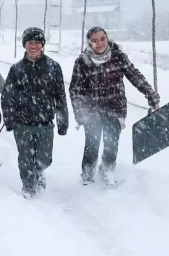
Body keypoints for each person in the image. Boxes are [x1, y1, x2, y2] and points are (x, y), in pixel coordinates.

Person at [69, 26, 160, 187]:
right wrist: (80, 113)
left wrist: (151, 95)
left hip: (114, 109)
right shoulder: (82, 61)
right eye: (95, 40)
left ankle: (107, 170)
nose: (99, 43)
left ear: (107, 38)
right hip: (92, 113)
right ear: (89, 43)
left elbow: (135, 76)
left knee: (111, 144)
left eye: (102, 39)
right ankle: (87, 175)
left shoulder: (118, 57)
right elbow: (75, 90)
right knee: (92, 144)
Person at [1, 27, 69, 199]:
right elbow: (7, 96)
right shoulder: (16, 69)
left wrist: (63, 121)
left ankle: (38, 172)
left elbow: (60, 96)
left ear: (42, 44)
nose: (33, 46)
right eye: (30, 43)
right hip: (22, 123)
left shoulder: (53, 67)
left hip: (45, 123)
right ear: (25, 45)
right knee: (25, 158)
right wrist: (9, 119)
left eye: (37, 42)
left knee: (45, 159)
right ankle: (28, 185)